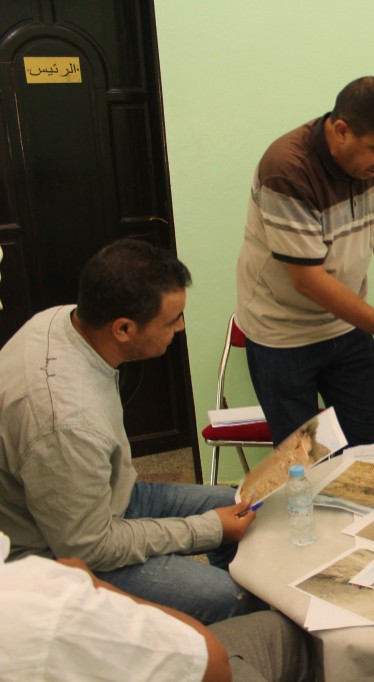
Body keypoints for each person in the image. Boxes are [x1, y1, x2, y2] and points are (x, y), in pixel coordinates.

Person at [0, 239, 265, 624]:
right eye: (172, 320)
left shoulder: (63, 321)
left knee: (244, 503)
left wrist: (212, 527)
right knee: (233, 597)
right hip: (61, 552)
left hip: (106, 498)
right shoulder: (65, 420)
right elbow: (89, 548)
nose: (181, 327)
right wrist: (207, 529)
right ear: (122, 328)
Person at [236, 75, 374, 447]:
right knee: (303, 459)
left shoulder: (371, 165)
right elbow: (308, 281)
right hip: (283, 336)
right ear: (341, 130)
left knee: (371, 444)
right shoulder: (286, 170)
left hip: (346, 326)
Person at [0, 531, 314, 682]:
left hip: (111, 521)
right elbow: (210, 664)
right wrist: (93, 586)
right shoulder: (44, 599)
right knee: (244, 605)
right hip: (205, 663)